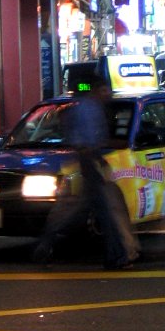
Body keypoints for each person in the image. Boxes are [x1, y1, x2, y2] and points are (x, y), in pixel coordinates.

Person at [33, 73, 138, 270]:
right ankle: (116, 257)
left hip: (89, 163)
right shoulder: (89, 110)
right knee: (105, 213)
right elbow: (89, 143)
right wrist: (101, 156)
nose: (108, 94)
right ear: (96, 90)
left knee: (75, 211)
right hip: (89, 164)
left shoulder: (86, 108)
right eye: (105, 90)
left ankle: (44, 246)